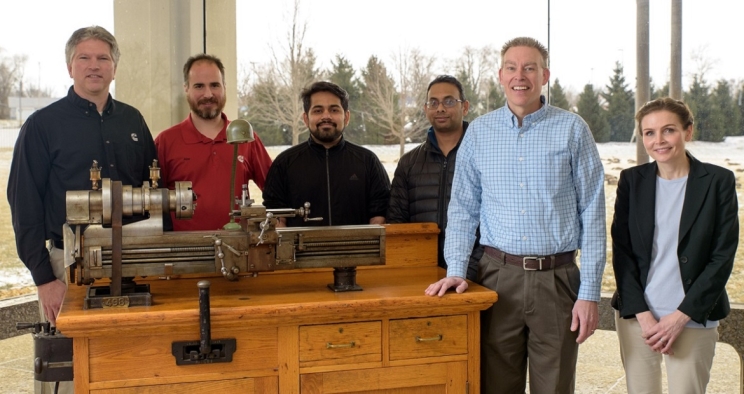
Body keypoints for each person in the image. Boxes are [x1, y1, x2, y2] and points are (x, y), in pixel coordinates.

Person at [425, 37, 606, 393]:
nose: (519, 76)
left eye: (530, 67)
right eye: (512, 67)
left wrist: (590, 294)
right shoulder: (478, 132)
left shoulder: (572, 130)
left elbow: (594, 214)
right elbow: (463, 209)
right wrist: (457, 270)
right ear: (500, 75)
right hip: (496, 279)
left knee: (553, 387)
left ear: (545, 75)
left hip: (558, 282)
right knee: (494, 385)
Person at [7, 26, 157, 326]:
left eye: (103, 58)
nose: (94, 65)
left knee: (134, 359)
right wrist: (44, 279)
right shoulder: (41, 126)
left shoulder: (133, 120)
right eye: (84, 57)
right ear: (69, 67)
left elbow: (154, 191)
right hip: (66, 266)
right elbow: (25, 206)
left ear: (114, 69)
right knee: (70, 365)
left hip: (132, 261)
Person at [611, 98, 739, 393]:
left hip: (693, 316)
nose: (658, 140)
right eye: (649, 133)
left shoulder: (718, 181)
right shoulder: (632, 181)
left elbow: (722, 258)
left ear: (688, 131)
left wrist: (681, 317)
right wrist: (642, 314)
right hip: (637, 318)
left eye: (668, 130)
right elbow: (623, 252)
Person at [155, 54, 272, 231]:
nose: (208, 94)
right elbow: (153, 203)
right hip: (183, 253)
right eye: (199, 86)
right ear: (186, 89)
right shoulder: (165, 142)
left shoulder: (246, 138)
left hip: (239, 251)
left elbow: (275, 192)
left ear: (224, 87)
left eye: (215, 85)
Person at [387, 75, 482, 281]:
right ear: (425, 108)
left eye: (449, 101)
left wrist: (471, 269)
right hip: (422, 274)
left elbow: (495, 220)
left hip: (478, 273)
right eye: (433, 102)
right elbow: (397, 224)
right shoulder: (409, 163)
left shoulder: (484, 156)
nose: (440, 108)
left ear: (465, 107)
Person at [262, 81, 390, 227]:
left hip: (356, 249)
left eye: (334, 110)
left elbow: (380, 212)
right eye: (318, 110)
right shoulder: (284, 163)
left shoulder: (368, 161)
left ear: (346, 117)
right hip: (299, 249)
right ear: (306, 118)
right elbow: (275, 214)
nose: (326, 116)